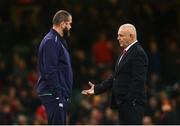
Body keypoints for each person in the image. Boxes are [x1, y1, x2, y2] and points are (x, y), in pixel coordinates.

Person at [82, 23, 149, 124]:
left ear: (131, 36)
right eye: (118, 35)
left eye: (121, 35)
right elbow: (115, 77)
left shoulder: (138, 53)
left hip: (132, 105)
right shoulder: (126, 52)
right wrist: (97, 89)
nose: (118, 38)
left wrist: (127, 102)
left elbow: (138, 81)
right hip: (125, 105)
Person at [36, 10, 73, 125]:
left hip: (58, 93)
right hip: (53, 93)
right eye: (69, 23)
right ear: (63, 24)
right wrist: (58, 94)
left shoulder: (59, 41)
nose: (70, 26)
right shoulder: (51, 41)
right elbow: (50, 70)